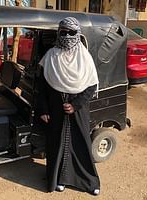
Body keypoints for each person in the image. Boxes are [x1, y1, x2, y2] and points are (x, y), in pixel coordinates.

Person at [37, 17, 100, 195]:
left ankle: (89, 181)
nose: (67, 36)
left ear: (78, 34)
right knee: (56, 144)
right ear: (59, 33)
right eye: (63, 32)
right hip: (55, 108)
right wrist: (43, 110)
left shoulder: (84, 57)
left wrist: (75, 105)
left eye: (71, 33)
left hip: (78, 110)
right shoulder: (50, 56)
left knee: (81, 142)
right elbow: (42, 87)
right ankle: (59, 179)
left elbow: (91, 86)